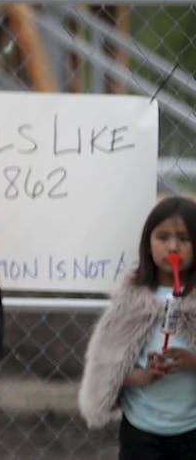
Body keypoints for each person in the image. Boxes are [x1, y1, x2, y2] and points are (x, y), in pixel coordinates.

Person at [79, 195, 196, 458]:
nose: (173, 247)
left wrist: (192, 362)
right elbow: (109, 365)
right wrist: (142, 375)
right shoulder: (131, 299)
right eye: (162, 237)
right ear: (148, 243)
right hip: (141, 431)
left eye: (184, 239)